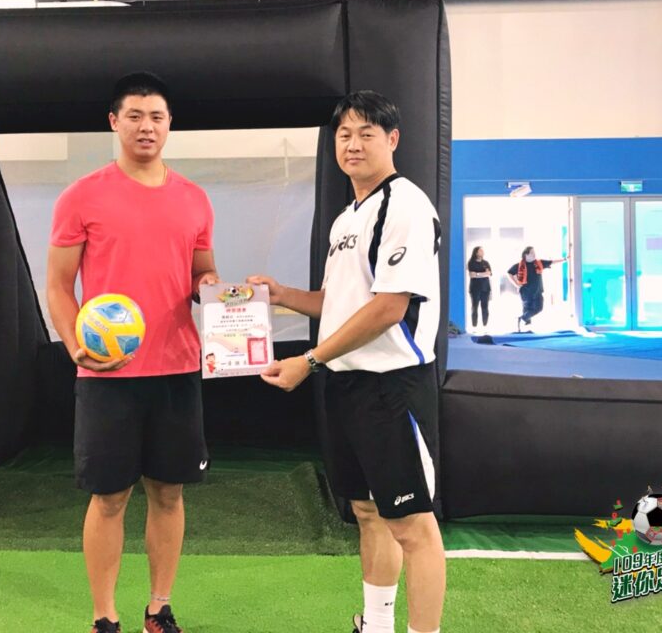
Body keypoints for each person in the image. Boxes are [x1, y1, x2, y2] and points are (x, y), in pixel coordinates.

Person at [248, 90, 445, 633]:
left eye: (366, 134)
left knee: (412, 525)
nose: (353, 144)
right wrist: (284, 295)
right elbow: (339, 304)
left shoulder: (405, 205)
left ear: (392, 139)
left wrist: (308, 360)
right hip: (344, 385)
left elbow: (388, 308)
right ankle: (376, 625)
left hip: (391, 388)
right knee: (367, 512)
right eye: (344, 134)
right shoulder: (345, 219)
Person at [46, 72, 219, 633]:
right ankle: (104, 616)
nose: (147, 127)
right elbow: (58, 286)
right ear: (114, 122)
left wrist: (218, 292)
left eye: (157, 117)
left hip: (177, 369)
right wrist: (76, 346)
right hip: (107, 375)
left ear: (169, 125)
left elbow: (202, 273)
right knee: (109, 498)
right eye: (136, 116)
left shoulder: (194, 198)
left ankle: (158, 607)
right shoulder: (81, 197)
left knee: (168, 494)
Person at [507, 246, 567, 331]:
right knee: (527, 310)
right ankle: (525, 330)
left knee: (538, 308)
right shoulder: (519, 265)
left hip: (537, 291)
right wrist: (516, 284)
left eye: (534, 252)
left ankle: (521, 319)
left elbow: (552, 262)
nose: (534, 254)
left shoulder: (539, 263)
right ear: (526, 255)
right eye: (532, 252)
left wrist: (564, 259)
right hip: (525, 292)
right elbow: (509, 273)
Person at [466, 246, 492, 332]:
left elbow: (489, 273)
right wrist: (483, 274)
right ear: (476, 252)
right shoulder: (471, 262)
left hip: (485, 288)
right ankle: (474, 326)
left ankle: (485, 326)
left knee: (485, 307)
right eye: (480, 251)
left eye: (482, 251)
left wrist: (477, 274)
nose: (482, 252)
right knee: (474, 307)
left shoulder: (486, 263)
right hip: (475, 288)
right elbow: (472, 275)